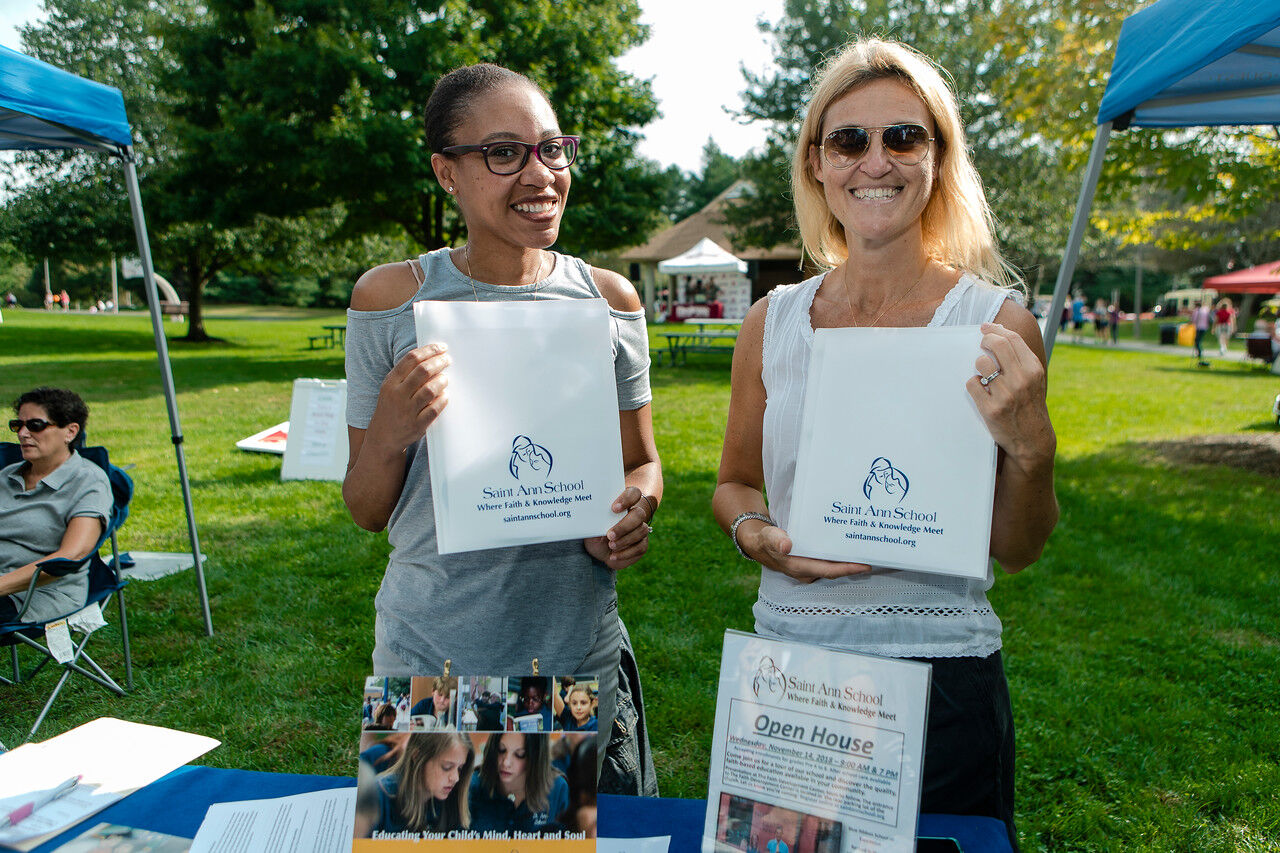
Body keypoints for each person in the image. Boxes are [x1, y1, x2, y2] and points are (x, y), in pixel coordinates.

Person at [712, 38, 1057, 848]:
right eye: (849, 140)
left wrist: (1033, 449)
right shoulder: (773, 320)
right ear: (817, 164)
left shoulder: (997, 325)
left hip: (944, 676)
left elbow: (1019, 546)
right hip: (794, 671)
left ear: (939, 158)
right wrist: (754, 533)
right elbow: (734, 481)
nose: (877, 161)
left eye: (905, 137)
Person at [342, 63, 662, 764]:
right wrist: (391, 434)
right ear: (446, 172)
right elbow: (366, 508)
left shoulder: (608, 300)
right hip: (434, 653)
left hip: (577, 655)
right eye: (503, 152)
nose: (540, 173)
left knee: (562, 838)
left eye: (551, 147)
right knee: (442, 837)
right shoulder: (391, 300)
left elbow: (639, 457)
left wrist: (635, 507)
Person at [1, 388, 112, 625]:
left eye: (35, 425)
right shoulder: (6, 477)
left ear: (70, 431)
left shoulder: (88, 482)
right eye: (17, 425)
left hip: (35, 595)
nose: (22, 434)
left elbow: (72, 554)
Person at [364, 732, 475, 834]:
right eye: (447, 767)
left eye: (460, 769)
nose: (456, 778)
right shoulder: (376, 797)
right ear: (416, 756)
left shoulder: (453, 800)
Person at [469, 732, 568, 833]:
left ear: (536, 757)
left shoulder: (558, 789)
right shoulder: (473, 786)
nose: (506, 763)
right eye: (501, 750)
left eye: (520, 754)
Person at [1191, 300, 1212, 365]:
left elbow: (1193, 320)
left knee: (1197, 341)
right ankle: (1199, 351)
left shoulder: (1196, 311)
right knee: (1199, 340)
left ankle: (1199, 352)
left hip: (1199, 327)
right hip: (1205, 327)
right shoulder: (1206, 310)